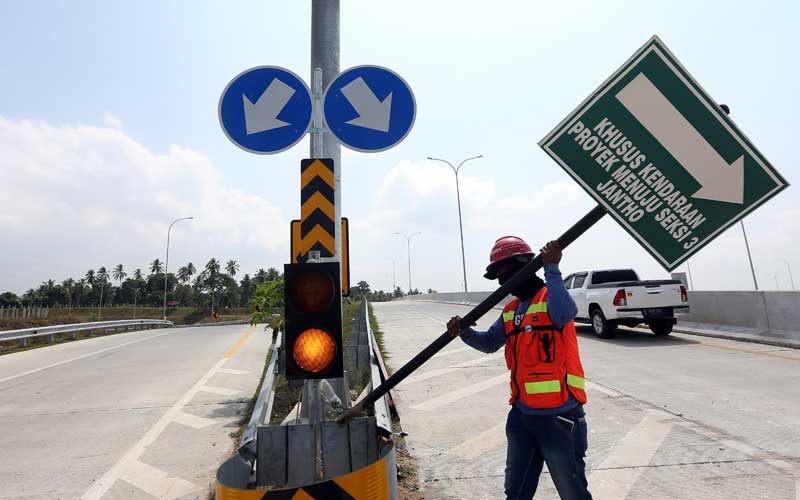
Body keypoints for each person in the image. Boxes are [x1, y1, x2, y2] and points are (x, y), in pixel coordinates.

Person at [447, 236, 592, 500]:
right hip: (522, 416)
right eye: (498, 276)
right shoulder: (512, 309)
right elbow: (490, 342)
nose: (503, 281)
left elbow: (565, 313)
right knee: (515, 493)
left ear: (525, 265)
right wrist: (464, 332)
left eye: (506, 272)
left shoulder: (552, 295)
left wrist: (552, 268)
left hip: (560, 416)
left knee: (573, 493)